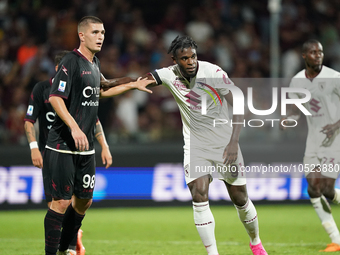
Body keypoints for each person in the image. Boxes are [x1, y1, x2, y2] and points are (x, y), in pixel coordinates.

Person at [106, 35, 267, 255]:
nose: (191, 61)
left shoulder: (213, 73)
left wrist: (233, 141)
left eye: (193, 56)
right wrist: (109, 82)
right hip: (195, 144)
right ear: (174, 60)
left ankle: (256, 242)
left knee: (240, 197)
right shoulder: (168, 74)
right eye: (184, 58)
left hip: (224, 142)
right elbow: (137, 80)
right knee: (199, 195)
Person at [42, 16, 152, 255]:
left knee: (84, 201)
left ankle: (66, 247)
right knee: (61, 202)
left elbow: (100, 92)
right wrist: (74, 126)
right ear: (82, 35)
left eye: (102, 32)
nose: (100, 36)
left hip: (86, 148)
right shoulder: (70, 62)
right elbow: (55, 98)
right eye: (95, 32)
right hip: (62, 145)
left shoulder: (94, 64)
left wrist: (133, 84)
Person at [24, 50, 113, 255]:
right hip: (52, 150)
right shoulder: (42, 89)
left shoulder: (78, 88)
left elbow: (94, 119)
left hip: (80, 150)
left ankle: (71, 246)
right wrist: (34, 147)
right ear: (59, 68)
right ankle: (64, 246)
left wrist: (105, 146)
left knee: (80, 201)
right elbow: (29, 119)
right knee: (57, 203)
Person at [281, 39, 340, 252]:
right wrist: (289, 118)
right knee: (313, 188)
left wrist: (335, 125)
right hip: (313, 141)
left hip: (336, 141)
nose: (318, 55)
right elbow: (296, 108)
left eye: (320, 52)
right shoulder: (297, 82)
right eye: (313, 52)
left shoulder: (334, 78)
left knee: (326, 189)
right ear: (304, 56)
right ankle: (336, 239)